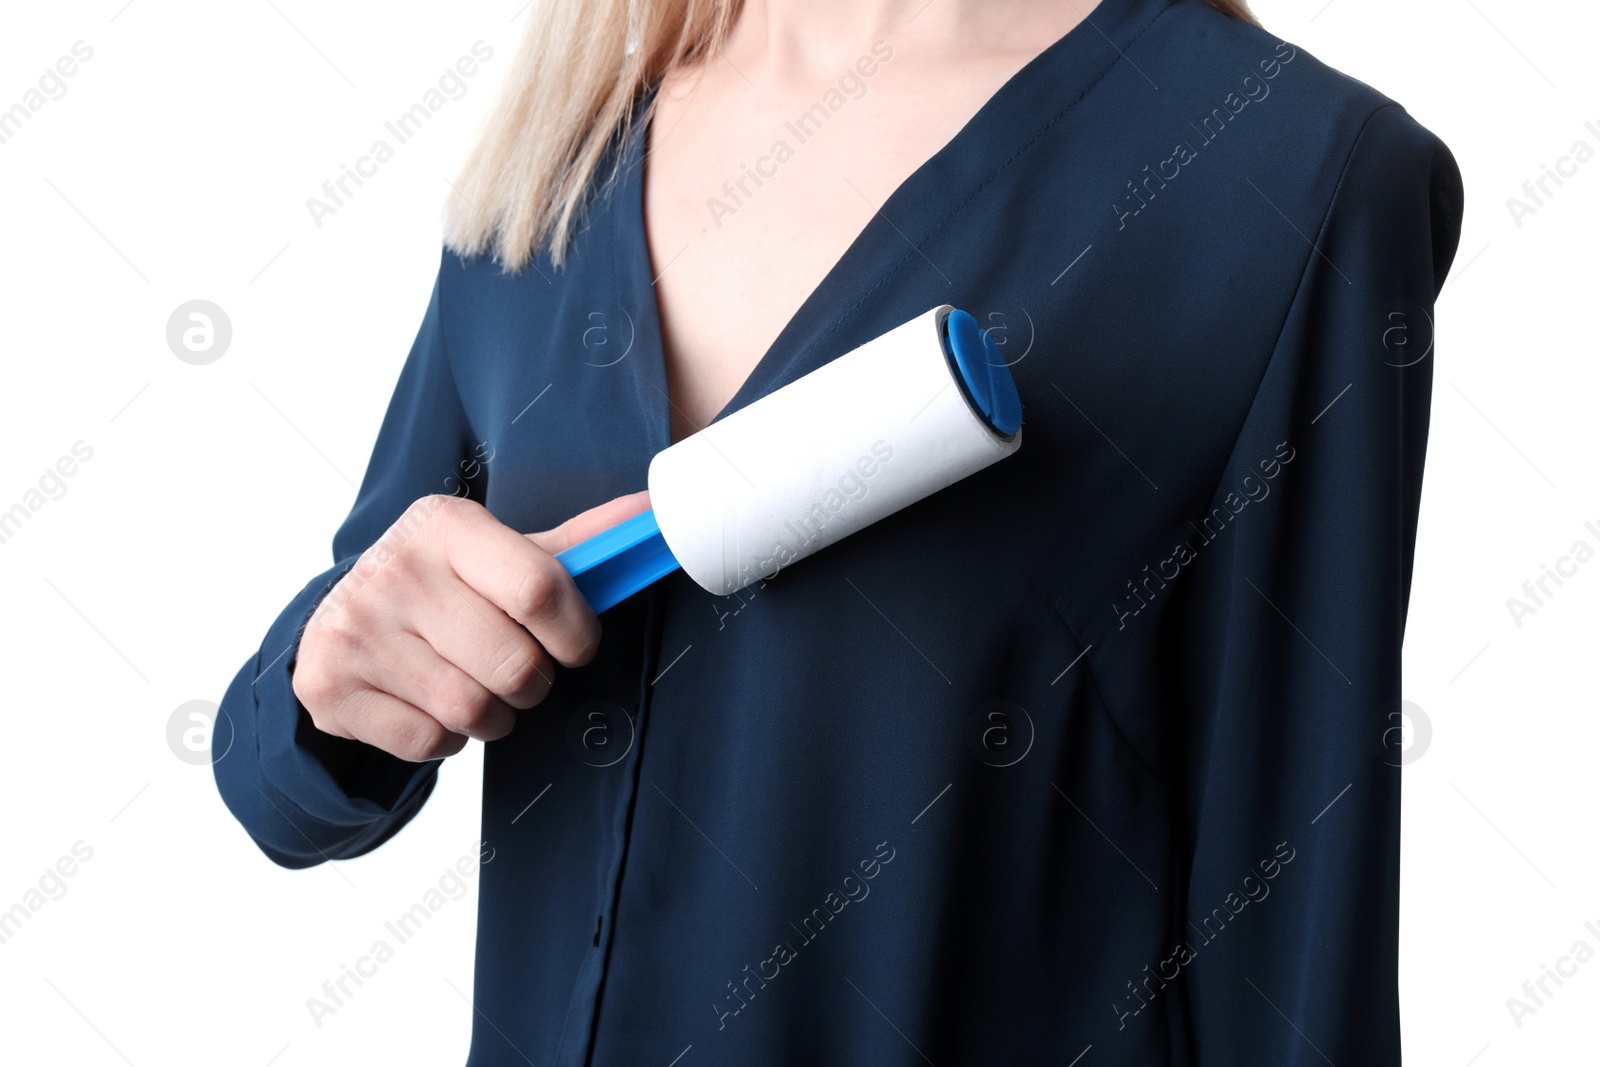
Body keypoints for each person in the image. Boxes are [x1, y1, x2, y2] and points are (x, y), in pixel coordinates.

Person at [213, 0, 1464, 1062]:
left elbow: (1298, 940)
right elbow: (286, 770)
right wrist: (334, 682)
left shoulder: (1290, 176)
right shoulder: (569, 143)